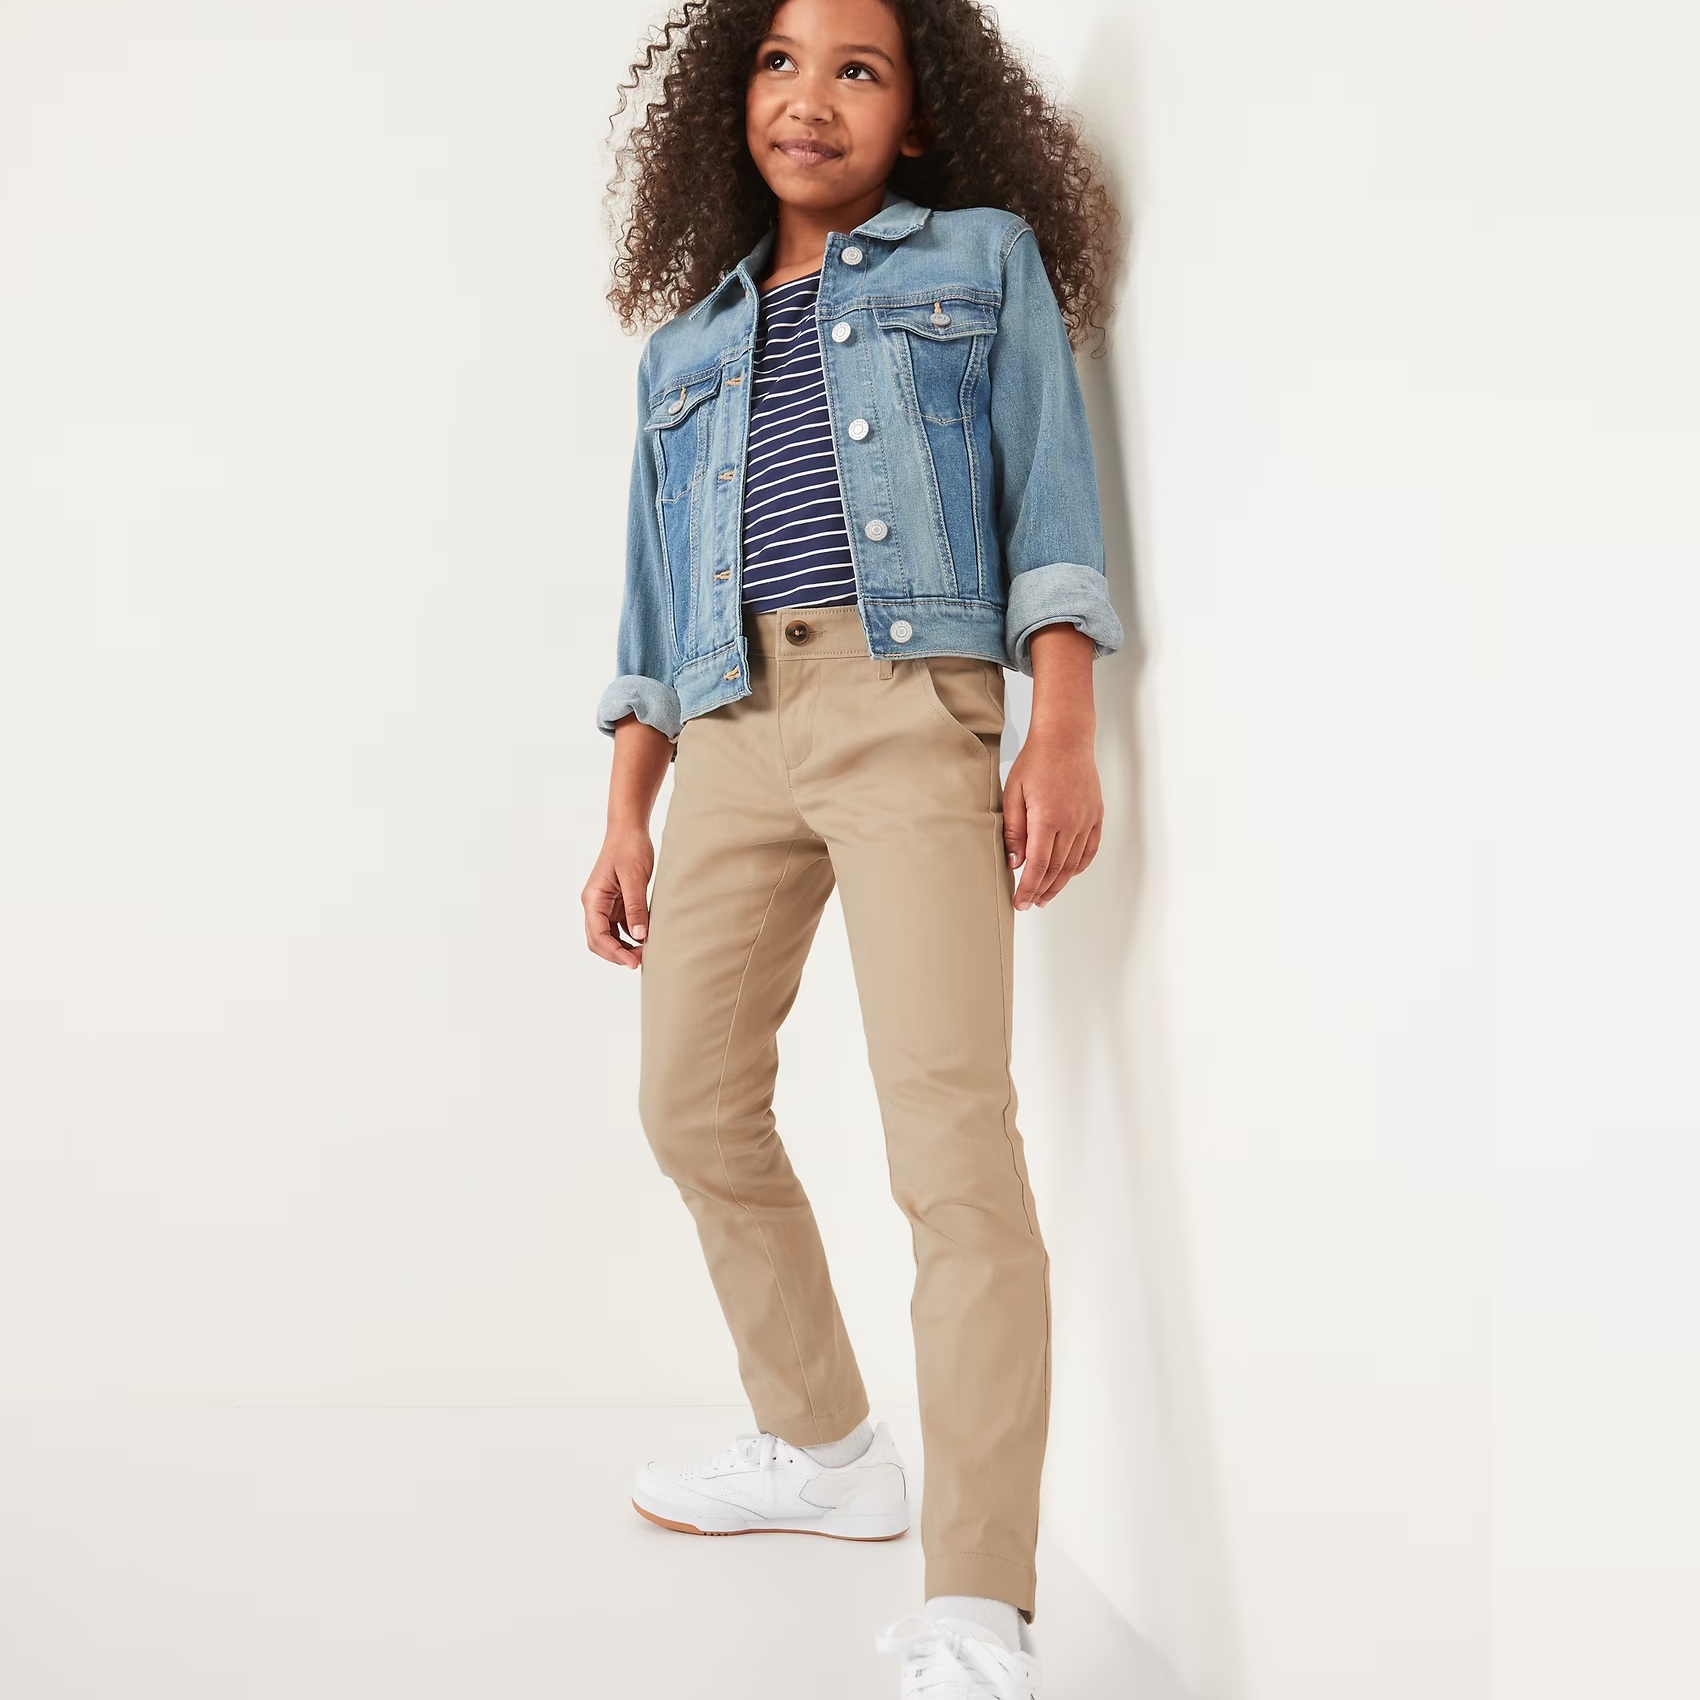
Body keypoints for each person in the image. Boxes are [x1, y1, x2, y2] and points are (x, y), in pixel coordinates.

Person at [582, 1, 1123, 1692]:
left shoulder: (980, 260)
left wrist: (1061, 724)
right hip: (733, 728)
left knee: (950, 1142)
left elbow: (1052, 498)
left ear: (922, 113)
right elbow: (655, 608)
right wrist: (625, 805)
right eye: (776, 62)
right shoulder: (688, 347)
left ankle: (977, 1593)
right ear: (726, 94)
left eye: (858, 68)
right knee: (686, 1097)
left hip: (916, 706)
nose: (808, 96)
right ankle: (822, 1449)